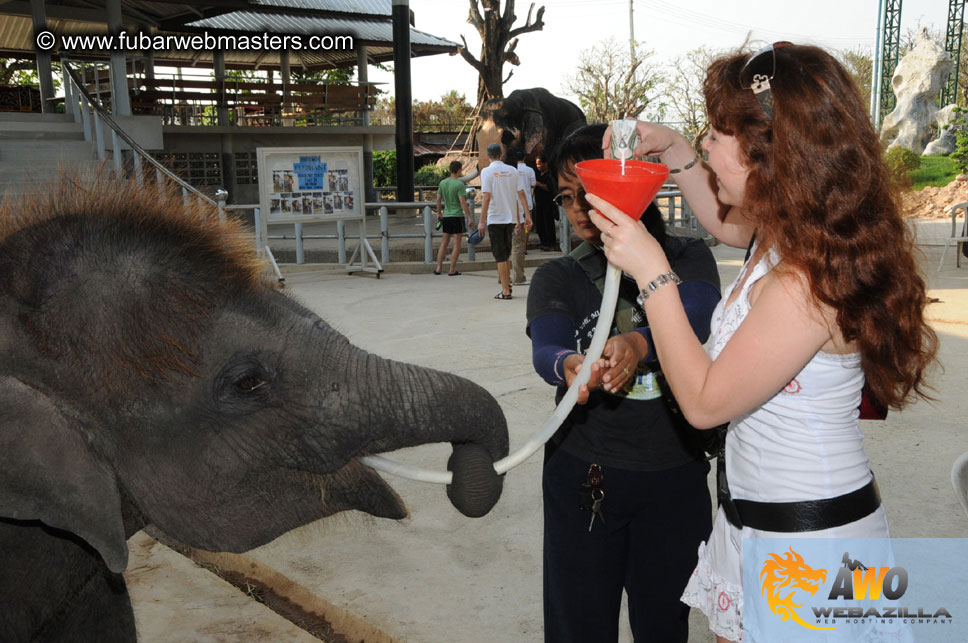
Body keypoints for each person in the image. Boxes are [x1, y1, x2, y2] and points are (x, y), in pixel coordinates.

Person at [587, 44, 938, 643]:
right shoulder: (791, 235)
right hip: (755, 526)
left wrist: (654, 276)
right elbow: (727, 223)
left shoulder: (810, 283)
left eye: (719, 135)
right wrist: (671, 149)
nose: (707, 147)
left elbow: (702, 401)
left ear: (776, 157)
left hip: (815, 547)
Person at [527, 124, 722, 642]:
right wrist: (570, 365)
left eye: (587, 191)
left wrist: (638, 345)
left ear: (627, 184)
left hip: (674, 476)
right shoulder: (558, 276)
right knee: (579, 624)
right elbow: (546, 344)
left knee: (663, 624)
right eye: (567, 197)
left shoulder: (686, 257)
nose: (576, 209)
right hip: (584, 475)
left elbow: (697, 317)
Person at [478, 143, 530, 299]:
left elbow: (486, 197)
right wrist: (526, 216)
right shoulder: (513, 171)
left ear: (488, 155)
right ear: (501, 154)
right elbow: (521, 194)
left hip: (495, 218)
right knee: (506, 253)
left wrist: (482, 220)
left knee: (500, 255)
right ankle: (507, 284)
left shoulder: (486, 172)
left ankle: (505, 290)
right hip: (511, 219)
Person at [434, 160, 473, 276]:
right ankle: (452, 269)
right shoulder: (460, 184)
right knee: (457, 243)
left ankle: (438, 268)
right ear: (459, 170)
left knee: (444, 243)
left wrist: (439, 213)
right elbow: (462, 202)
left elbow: (438, 199)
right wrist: (469, 217)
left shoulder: (442, 183)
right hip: (457, 216)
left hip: (446, 215)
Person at [510, 149, 536, 284]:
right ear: (525, 157)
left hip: (507, 211)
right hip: (524, 206)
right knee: (523, 233)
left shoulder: (511, 172)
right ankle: (524, 247)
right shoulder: (529, 170)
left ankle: (503, 277)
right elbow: (532, 186)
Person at [533, 154, 559, 251]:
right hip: (539, 203)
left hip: (548, 203)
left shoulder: (550, 175)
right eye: (537, 164)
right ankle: (543, 242)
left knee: (548, 224)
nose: (538, 166)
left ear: (545, 163)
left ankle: (551, 243)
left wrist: (538, 184)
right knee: (540, 224)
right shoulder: (536, 173)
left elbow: (548, 188)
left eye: (540, 164)